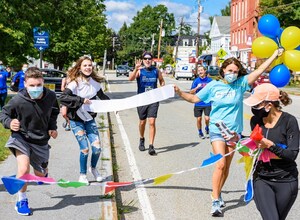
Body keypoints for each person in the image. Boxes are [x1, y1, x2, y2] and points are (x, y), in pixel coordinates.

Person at [174, 48, 284, 216]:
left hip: (234, 133)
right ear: (223, 70)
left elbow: (259, 70)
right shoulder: (213, 86)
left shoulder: (240, 85)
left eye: (235, 71)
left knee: (227, 168)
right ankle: (216, 200)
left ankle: (216, 192)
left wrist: (275, 55)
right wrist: (180, 93)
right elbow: (195, 99)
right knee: (220, 163)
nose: (232, 73)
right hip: (217, 131)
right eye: (230, 70)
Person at [0, 67, 59, 216]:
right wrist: (9, 122)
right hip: (21, 138)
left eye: (39, 85)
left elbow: (54, 112)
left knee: (40, 175)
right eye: (32, 85)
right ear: (25, 84)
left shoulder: (51, 96)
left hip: (40, 140)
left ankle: (42, 173)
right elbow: (4, 114)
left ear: (43, 82)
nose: (35, 88)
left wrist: (52, 127)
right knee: (23, 168)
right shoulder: (18, 100)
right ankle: (22, 199)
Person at [243, 83, 299, 220]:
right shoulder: (255, 120)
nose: (253, 109)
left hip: (286, 180)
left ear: (269, 105)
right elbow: (255, 147)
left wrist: (270, 145)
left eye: (256, 105)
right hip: (262, 178)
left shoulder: (289, 121)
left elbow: (292, 154)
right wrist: (239, 140)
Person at [59, 56, 109, 184]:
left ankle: (93, 169)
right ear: (80, 68)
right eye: (85, 65)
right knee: (85, 149)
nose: (88, 67)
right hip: (76, 120)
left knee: (97, 148)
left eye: (89, 65)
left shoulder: (95, 84)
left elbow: (104, 98)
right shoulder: (74, 83)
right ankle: (82, 175)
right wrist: (81, 100)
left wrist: (116, 106)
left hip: (89, 119)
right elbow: (63, 98)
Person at [128, 51, 165, 155]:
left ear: (152, 60)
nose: (147, 60)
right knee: (142, 122)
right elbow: (130, 79)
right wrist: (136, 68)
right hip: (142, 100)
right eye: (145, 59)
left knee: (152, 122)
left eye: (149, 59)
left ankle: (151, 146)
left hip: (153, 100)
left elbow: (162, 81)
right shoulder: (140, 71)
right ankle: (141, 138)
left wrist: (162, 87)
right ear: (143, 60)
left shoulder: (156, 71)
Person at [190, 65, 212, 139]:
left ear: (205, 71)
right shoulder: (196, 81)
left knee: (207, 118)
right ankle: (200, 132)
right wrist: (197, 87)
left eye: (201, 70)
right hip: (198, 102)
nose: (200, 72)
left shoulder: (209, 81)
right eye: (199, 70)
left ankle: (207, 128)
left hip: (207, 102)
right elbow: (191, 92)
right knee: (199, 119)